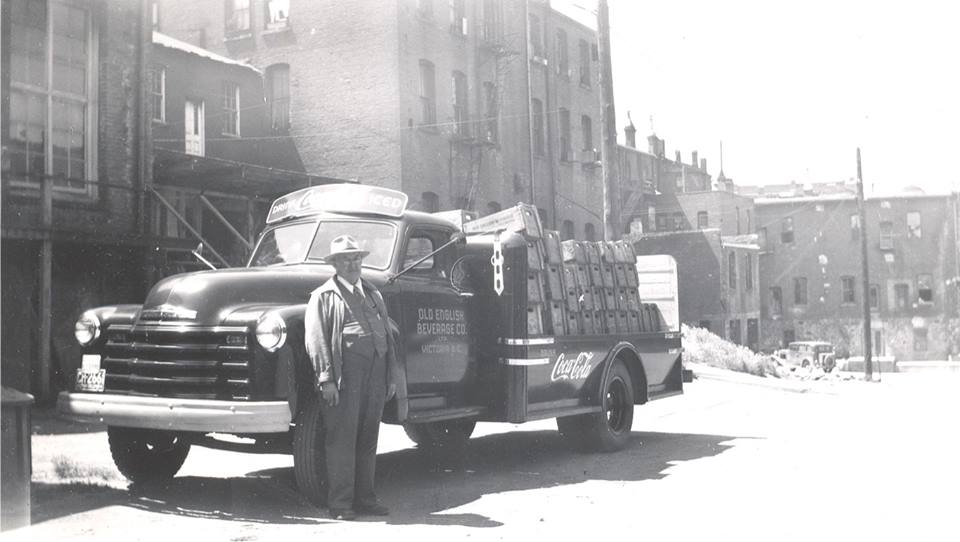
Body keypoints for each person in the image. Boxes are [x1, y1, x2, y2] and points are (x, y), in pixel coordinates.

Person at [304, 235, 399, 521]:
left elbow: (388, 337)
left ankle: (365, 498)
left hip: (376, 376)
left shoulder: (373, 294)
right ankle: (341, 504)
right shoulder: (323, 297)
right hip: (346, 379)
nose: (353, 263)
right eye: (346, 259)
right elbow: (317, 340)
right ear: (334, 264)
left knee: (368, 438)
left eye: (356, 258)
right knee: (342, 440)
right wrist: (326, 380)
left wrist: (390, 377)